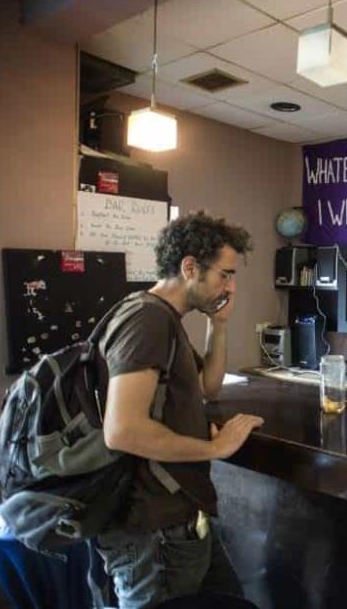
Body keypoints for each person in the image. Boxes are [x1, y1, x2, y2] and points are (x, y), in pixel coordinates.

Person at [95, 211, 264, 608]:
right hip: (152, 530)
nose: (230, 284)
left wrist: (218, 326)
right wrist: (214, 449)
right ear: (190, 267)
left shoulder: (167, 320)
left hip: (181, 520)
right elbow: (122, 430)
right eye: (225, 274)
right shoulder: (147, 319)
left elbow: (209, 387)